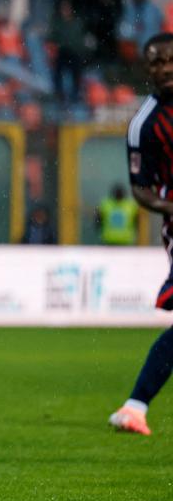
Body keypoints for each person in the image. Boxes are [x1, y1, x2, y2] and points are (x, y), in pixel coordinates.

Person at [108, 33, 173, 436]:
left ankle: (134, 407)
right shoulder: (143, 125)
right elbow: (140, 189)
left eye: (169, 61)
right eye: (155, 63)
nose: (163, 68)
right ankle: (134, 406)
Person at [50, 1, 93, 106]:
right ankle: (60, 94)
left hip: (75, 53)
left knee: (76, 74)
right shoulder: (59, 23)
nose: (65, 11)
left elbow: (83, 39)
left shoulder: (77, 23)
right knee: (58, 73)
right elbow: (53, 37)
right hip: (64, 52)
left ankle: (75, 96)